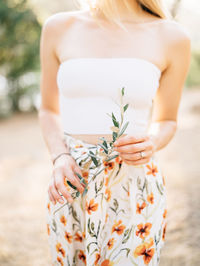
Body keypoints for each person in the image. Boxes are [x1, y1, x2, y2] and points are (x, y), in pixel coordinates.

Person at [38, 0, 191, 265]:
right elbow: (48, 110)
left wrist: (152, 142)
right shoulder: (58, 27)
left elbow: (167, 119)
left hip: (134, 187)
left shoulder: (172, 36)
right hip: (71, 181)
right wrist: (60, 157)